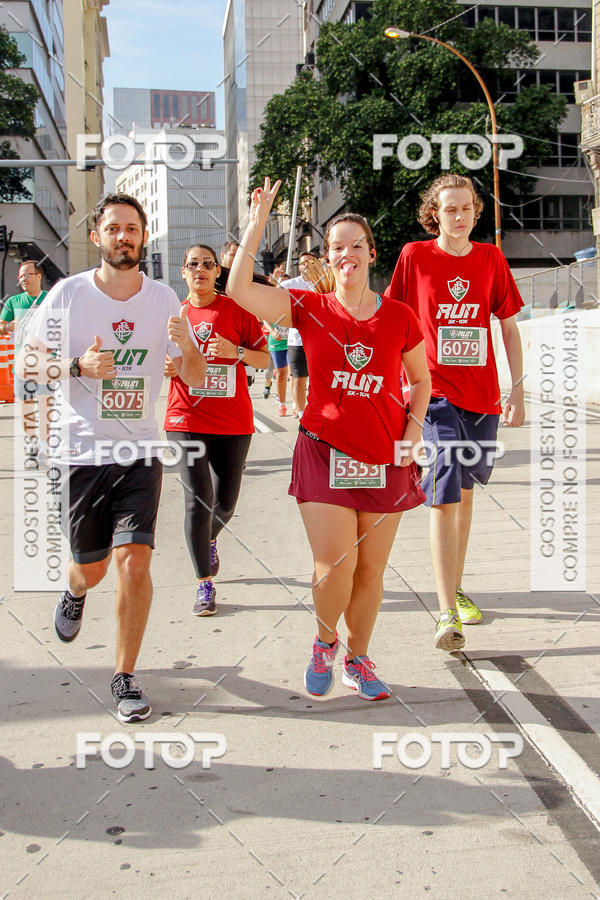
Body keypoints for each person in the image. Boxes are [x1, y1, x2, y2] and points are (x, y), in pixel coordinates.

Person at [228, 177, 431, 701]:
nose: (346, 255)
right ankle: (324, 642)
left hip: (387, 456)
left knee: (370, 571)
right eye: (336, 248)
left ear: (370, 253)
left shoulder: (399, 317)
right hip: (324, 451)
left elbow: (421, 379)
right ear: (327, 256)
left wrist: (412, 434)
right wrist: (254, 225)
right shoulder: (308, 309)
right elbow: (239, 291)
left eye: (355, 246)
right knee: (334, 566)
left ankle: (358, 660)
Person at [16, 193, 206, 723]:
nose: (124, 237)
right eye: (114, 228)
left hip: (139, 449)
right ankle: (74, 589)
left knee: (135, 560)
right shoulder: (67, 295)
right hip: (77, 452)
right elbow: (26, 370)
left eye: (132, 229)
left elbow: (193, 376)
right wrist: (78, 366)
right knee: (92, 567)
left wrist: (187, 343)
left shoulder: (165, 298)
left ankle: (124, 677)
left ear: (144, 237)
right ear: (97, 236)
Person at [385, 173, 525, 652]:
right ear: (434, 214)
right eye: (450, 209)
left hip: (482, 398)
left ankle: (456, 587)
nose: (459, 216)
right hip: (434, 394)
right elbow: (392, 322)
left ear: (476, 212)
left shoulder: (491, 259)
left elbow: (508, 328)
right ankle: (446, 612)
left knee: (464, 496)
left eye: (467, 208)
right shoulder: (415, 256)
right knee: (444, 491)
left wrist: (518, 389)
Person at [164, 244, 269, 615]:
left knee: (224, 504)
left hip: (232, 420)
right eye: (193, 264)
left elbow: (265, 357)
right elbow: (148, 358)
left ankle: (208, 538)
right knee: (198, 499)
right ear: (183, 272)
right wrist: (165, 366)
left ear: (217, 272)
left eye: (208, 264)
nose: (201, 270)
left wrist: (235, 352)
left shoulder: (237, 310)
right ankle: (203, 584)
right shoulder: (171, 314)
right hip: (185, 419)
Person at [0, 260, 51, 445]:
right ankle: (32, 443)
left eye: (27, 275)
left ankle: (46, 444)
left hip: (47, 364)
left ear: (38, 276)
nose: (23, 279)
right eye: (21, 276)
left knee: (46, 406)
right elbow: (1, 327)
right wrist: (9, 326)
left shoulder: (50, 298)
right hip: (23, 364)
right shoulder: (13, 302)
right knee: (26, 407)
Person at [281, 251, 335, 418]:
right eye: (303, 263)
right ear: (298, 267)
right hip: (296, 340)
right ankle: (302, 412)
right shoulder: (289, 285)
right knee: (299, 379)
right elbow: (272, 305)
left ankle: (320, 409)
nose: (307, 266)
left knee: (320, 379)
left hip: (319, 339)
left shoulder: (324, 283)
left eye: (311, 263)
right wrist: (278, 327)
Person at [264, 317, 289, 416]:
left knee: (293, 375)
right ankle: (281, 404)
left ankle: (297, 406)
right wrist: (272, 331)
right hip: (276, 342)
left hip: (292, 341)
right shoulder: (273, 302)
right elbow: (265, 318)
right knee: (280, 374)